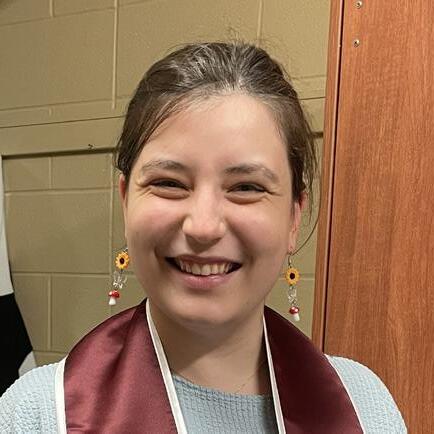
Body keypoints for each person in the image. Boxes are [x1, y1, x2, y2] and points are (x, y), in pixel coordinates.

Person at [0, 42, 406, 433]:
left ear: (294, 216)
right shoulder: (38, 415)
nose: (203, 226)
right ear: (126, 202)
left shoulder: (365, 407)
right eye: (168, 183)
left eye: (246, 187)